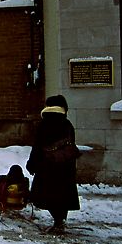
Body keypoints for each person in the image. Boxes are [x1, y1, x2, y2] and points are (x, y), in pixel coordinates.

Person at [25, 94, 81, 234]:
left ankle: (58, 221)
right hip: (65, 168)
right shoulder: (67, 124)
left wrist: (32, 164)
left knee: (48, 195)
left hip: (48, 167)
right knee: (63, 195)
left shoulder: (44, 124)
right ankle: (60, 220)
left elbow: (37, 147)